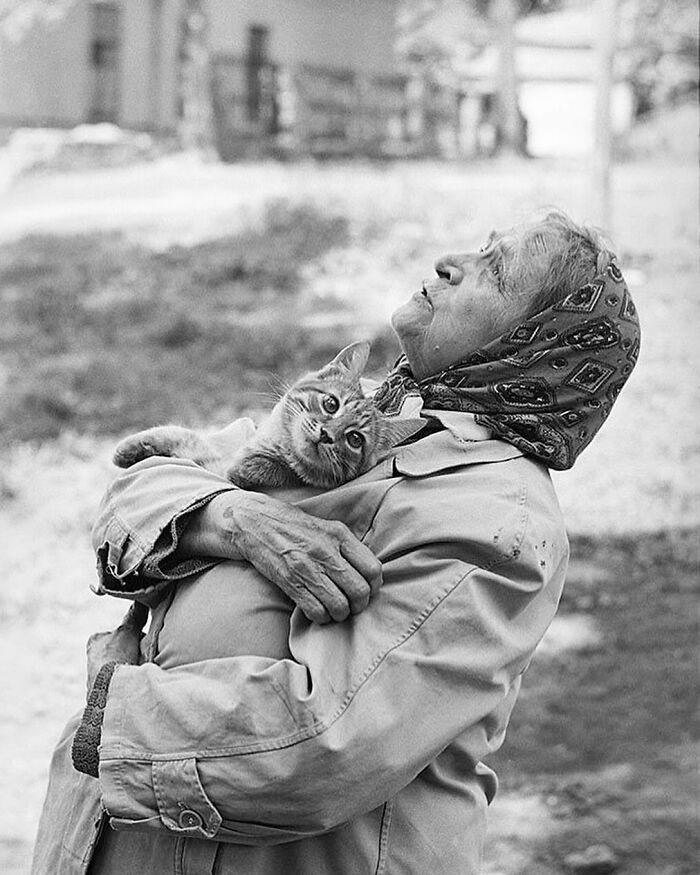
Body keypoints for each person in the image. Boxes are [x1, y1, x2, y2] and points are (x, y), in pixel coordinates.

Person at [32, 210, 640, 875]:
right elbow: (139, 493)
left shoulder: (502, 521)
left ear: (532, 345)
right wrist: (233, 519)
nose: (450, 260)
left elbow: (320, 744)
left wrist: (110, 710)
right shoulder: (375, 412)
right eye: (479, 245)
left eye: (491, 269)